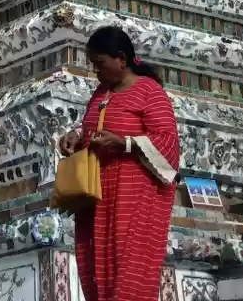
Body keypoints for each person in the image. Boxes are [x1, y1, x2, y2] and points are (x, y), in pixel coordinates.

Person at [57, 26, 180, 301]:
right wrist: (75, 136)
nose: (96, 71)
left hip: (133, 197)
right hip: (97, 195)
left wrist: (124, 143)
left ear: (121, 60)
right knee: (97, 276)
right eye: (93, 65)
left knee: (127, 273)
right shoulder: (101, 93)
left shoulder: (150, 92)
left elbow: (167, 144)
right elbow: (92, 126)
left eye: (100, 64)